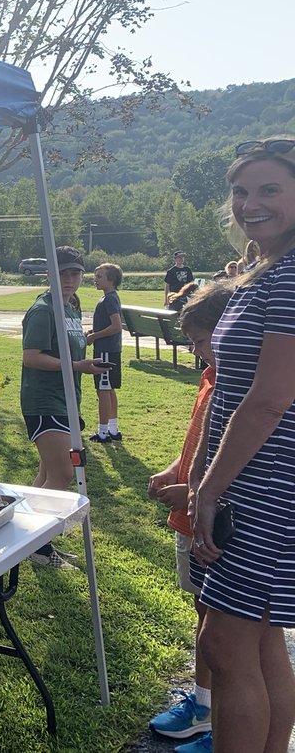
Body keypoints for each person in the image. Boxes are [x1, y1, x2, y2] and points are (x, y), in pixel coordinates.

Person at [188, 137, 295, 753]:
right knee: (259, 638)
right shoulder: (271, 271)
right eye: (240, 191)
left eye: (269, 189)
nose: (249, 203)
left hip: (267, 484)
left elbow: (267, 400)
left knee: (224, 647)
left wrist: (208, 487)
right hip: (263, 478)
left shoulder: (288, 278)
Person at [146, 282, 231, 750]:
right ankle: (203, 704)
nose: (197, 353)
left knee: (222, 630)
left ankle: (220, 719)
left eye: (201, 341)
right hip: (192, 516)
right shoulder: (211, 378)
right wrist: (174, 471)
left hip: (212, 523)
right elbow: (200, 443)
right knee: (203, 615)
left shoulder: (240, 384)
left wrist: (192, 493)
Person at [20, 246, 112, 568]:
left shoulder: (70, 308)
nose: (70, 280)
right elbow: (31, 357)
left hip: (66, 398)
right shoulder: (44, 310)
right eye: (63, 273)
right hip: (44, 400)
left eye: (76, 273)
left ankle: (28, 539)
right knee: (62, 474)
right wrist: (77, 366)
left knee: (46, 475)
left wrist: (87, 359)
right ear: (49, 274)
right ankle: (37, 547)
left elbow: (71, 347)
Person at [86, 262, 124, 443]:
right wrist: (93, 333)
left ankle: (103, 432)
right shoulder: (109, 298)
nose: (96, 280)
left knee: (103, 390)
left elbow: (116, 326)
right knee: (108, 390)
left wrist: (95, 337)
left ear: (111, 280)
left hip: (106, 351)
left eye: (99, 277)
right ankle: (113, 429)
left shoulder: (109, 299)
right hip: (108, 349)